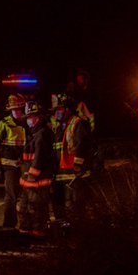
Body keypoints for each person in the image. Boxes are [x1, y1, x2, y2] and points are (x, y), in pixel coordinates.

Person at [17, 101, 57, 239]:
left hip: (37, 182)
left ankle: (38, 235)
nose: (28, 120)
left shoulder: (42, 134)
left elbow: (40, 157)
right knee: (25, 209)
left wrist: (32, 174)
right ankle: (25, 233)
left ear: (38, 118)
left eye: (30, 117)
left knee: (37, 209)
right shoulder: (34, 134)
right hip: (29, 182)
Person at [0, 94, 28, 229]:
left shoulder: (28, 123)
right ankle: (9, 225)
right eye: (14, 109)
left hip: (25, 165)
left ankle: (25, 224)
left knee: (26, 196)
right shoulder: (4, 124)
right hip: (9, 165)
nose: (16, 112)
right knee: (11, 195)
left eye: (18, 109)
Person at [51, 94, 92, 224]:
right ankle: (62, 231)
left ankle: (77, 232)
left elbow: (82, 145)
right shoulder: (59, 126)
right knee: (58, 204)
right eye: (56, 110)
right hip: (60, 173)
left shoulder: (78, 123)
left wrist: (78, 165)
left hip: (75, 174)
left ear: (68, 109)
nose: (57, 113)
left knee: (75, 206)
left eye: (60, 109)